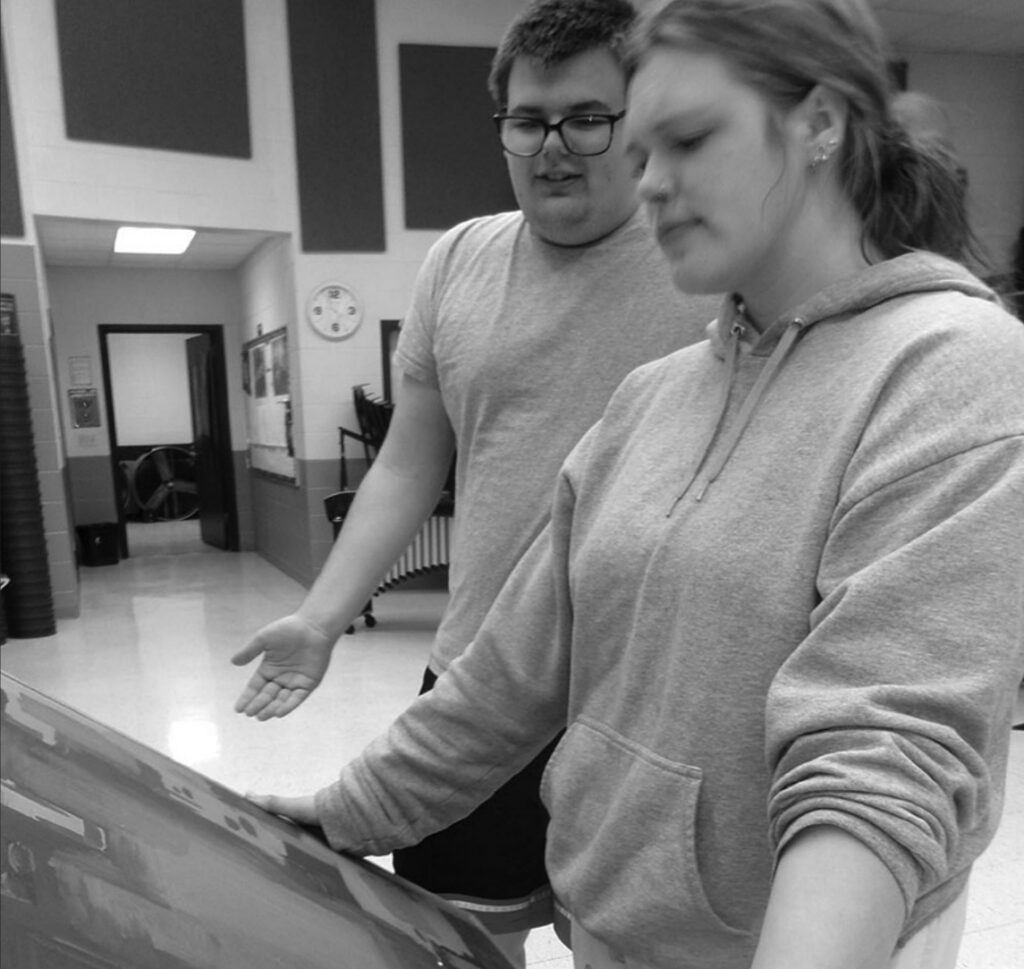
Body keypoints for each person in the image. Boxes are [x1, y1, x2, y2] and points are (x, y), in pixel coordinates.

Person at [248, 1, 1024, 966]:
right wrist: (344, 812)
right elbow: (507, 677)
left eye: (687, 141)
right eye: (647, 150)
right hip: (620, 928)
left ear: (822, 123)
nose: (651, 184)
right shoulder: (652, 398)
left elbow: (881, 755)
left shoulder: (952, 366)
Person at [232, 0, 718, 963]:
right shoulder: (458, 259)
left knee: (617, 947)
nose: (554, 148)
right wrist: (323, 615)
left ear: (642, 121)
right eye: (528, 121)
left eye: (589, 117)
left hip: (639, 706)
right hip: (471, 685)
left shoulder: (706, 265)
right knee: (455, 942)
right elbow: (410, 462)